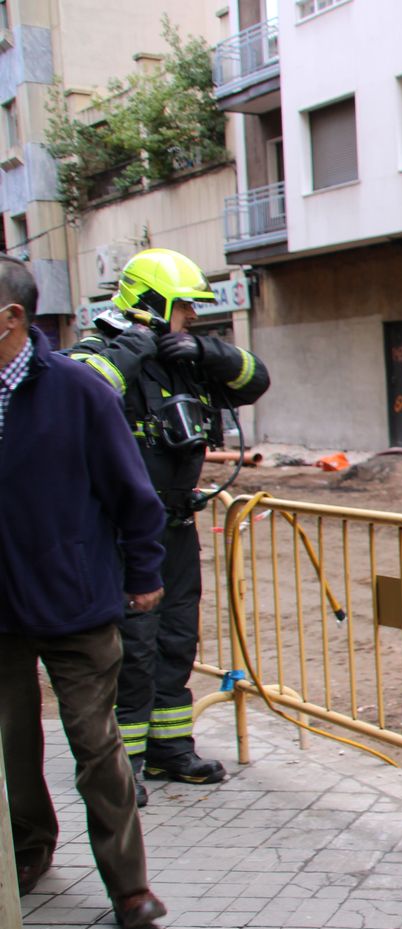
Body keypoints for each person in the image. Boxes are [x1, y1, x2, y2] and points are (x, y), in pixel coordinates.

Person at [0, 255, 169, 929]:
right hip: (2, 612)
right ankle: (29, 851)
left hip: (75, 604)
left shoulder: (78, 391)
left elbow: (134, 494)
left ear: (13, 317)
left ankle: (129, 888)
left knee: (96, 747)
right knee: (13, 745)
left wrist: (144, 573)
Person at [72, 249, 270, 805]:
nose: (193, 315)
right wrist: (137, 342)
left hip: (177, 526)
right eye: (185, 307)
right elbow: (85, 394)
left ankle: (169, 748)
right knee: (132, 647)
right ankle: (122, 764)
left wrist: (207, 350)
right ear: (153, 304)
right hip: (121, 534)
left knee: (177, 638)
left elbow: (255, 380)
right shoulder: (99, 351)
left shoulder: (185, 358)